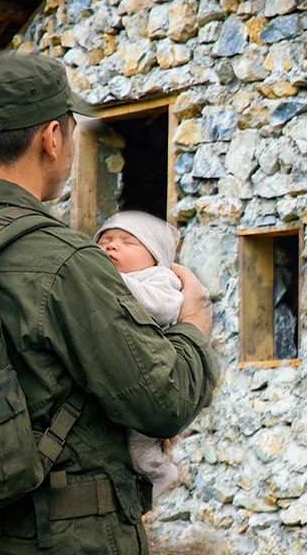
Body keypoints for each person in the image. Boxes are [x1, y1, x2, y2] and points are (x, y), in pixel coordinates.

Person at [0, 50, 220, 554]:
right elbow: (164, 402)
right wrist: (195, 320)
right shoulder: (66, 264)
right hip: (54, 539)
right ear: (51, 137)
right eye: (71, 131)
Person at [95, 211, 185, 503]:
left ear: (155, 255)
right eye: (105, 241)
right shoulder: (98, 282)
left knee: (142, 447)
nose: (111, 246)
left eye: (127, 242)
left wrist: (116, 282)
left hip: (149, 378)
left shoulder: (161, 279)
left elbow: (162, 308)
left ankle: (160, 478)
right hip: (115, 376)